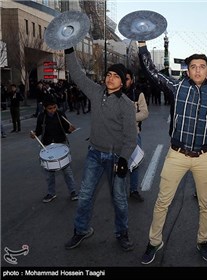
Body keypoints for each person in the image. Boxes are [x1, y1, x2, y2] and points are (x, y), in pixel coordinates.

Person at [137, 41, 207, 264]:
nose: (198, 70)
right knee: (162, 202)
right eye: (193, 67)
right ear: (187, 70)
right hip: (176, 155)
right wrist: (142, 46)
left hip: (204, 158)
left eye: (202, 66)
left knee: (206, 204)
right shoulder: (177, 87)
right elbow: (151, 71)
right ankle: (153, 242)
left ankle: (203, 241)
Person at [63, 47, 137, 252]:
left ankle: (122, 233)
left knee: (120, 199)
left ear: (123, 82)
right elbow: (77, 74)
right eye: (108, 74)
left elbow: (131, 137)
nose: (110, 78)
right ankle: (81, 230)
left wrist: (123, 160)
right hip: (94, 154)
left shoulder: (126, 105)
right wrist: (69, 50)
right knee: (85, 194)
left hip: (115, 158)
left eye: (116, 76)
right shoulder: (96, 92)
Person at [30, 96, 78, 203]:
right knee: (49, 174)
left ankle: (73, 191)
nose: (53, 110)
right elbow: (38, 131)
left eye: (54, 107)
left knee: (67, 171)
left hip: (61, 144)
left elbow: (67, 129)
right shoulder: (41, 117)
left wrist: (70, 129)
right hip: (47, 146)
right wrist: (34, 134)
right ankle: (51, 193)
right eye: (50, 108)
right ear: (45, 108)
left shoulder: (60, 114)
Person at [124, 69, 149, 202]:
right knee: (117, 164)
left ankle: (133, 190)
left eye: (127, 78)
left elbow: (144, 113)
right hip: (115, 135)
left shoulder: (138, 94)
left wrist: (128, 117)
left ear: (132, 80)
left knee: (134, 163)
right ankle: (118, 192)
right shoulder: (112, 94)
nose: (124, 81)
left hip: (134, 134)